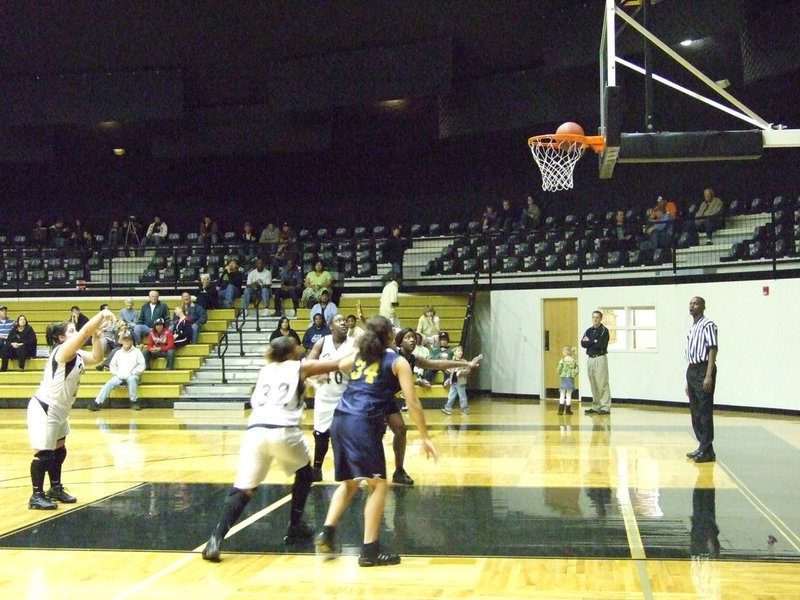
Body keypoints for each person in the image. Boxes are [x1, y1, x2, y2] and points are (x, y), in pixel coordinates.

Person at [201, 336, 348, 562]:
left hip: (255, 431)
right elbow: (338, 363)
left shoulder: (265, 370)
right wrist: (361, 347)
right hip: (284, 430)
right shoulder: (300, 366)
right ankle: (294, 525)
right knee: (305, 473)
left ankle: (215, 539)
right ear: (290, 352)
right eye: (296, 347)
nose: (300, 349)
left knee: (244, 490)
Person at [314, 316, 439, 567]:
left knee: (349, 483)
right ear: (391, 337)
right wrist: (425, 437)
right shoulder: (397, 361)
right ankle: (369, 551)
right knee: (378, 485)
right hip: (363, 423)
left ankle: (327, 534)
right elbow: (412, 402)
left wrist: (313, 370)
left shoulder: (357, 357)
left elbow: (338, 366)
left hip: (340, 420)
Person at [26, 307, 116, 509]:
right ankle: (36, 495)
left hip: (60, 409)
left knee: (59, 452)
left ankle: (55, 488)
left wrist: (96, 336)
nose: (75, 334)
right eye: (71, 332)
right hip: (45, 407)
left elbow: (97, 358)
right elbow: (84, 332)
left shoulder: (76, 354)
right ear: (60, 338)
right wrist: (101, 315)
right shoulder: (62, 352)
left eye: (75, 331)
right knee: (45, 454)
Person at [395, 328, 482, 481]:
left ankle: (399, 471)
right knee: (374, 433)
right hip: (373, 396)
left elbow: (437, 364)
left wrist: (466, 363)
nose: (412, 340)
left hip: (387, 398)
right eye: (408, 337)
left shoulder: (414, 358)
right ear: (400, 341)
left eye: (414, 337)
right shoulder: (393, 353)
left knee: (401, 430)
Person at [305, 314, 356, 482]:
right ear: (331, 326)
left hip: (346, 396)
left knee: (347, 435)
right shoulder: (322, 342)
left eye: (344, 321)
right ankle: (317, 468)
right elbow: (307, 364)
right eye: (338, 321)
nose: (343, 323)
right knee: (320, 435)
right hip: (325, 396)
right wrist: (316, 373)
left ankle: (348, 469)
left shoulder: (354, 343)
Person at [685, 296, 718, 463]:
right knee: (695, 412)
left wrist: (708, 375)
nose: (692, 306)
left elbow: (712, 349)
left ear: (703, 307)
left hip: (704, 368)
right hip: (692, 369)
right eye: (690, 303)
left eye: (695, 303)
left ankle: (706, 449)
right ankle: (705, 448)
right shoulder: (693, 328)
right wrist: (688, 381)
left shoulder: (708, 325)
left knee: (704, 412)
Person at [88, 330, 146, 411]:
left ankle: (134, 401)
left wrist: (134, 373)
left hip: (133, 375)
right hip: (120, 376)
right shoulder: (118, 352)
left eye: (128, 340)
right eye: (124, 340)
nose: (126, 341)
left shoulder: (137, 352)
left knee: (132, 379)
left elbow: (142, 365)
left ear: (132, 341)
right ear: (122, 341)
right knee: (109, 383)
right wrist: (117, 374)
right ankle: (97, 402)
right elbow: (112, 365)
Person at [581, 310, 611, 415]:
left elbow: (599, 345)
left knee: (602, 383)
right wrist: (593, 341)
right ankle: (596, 405)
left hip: (600, 358)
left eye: (597, 317)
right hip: (590, 359)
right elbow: (583, 343)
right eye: (593, 317)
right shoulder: (588, 330)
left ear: (601, 319)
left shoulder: (604, 331)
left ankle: (605, 407)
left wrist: (590, 341)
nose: (595, 319)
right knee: (593, 382)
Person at [441, 345, 472, 416]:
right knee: (451, 395)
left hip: (460, 382)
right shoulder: (452, 361)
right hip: (453, 381)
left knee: (462, 396)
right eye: (458, 351)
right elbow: (449, 370)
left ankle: (465, 410)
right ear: (454, 353)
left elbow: (468, 370)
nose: (460, 352)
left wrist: (461, 371)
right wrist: (447, 370)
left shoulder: (464, 361)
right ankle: (447, 409)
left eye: (461, 351)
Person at [556, 345, 578, 415]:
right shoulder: (574, 361)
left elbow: (559, 369)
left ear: (565, 352)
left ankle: (560, 410)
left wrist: (559, 372)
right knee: (569, 394)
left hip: (564, 379)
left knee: (562, 394)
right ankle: (568, 410)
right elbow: (577, 370)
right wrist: (573, 374)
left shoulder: (562, 361)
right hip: (570, 379)